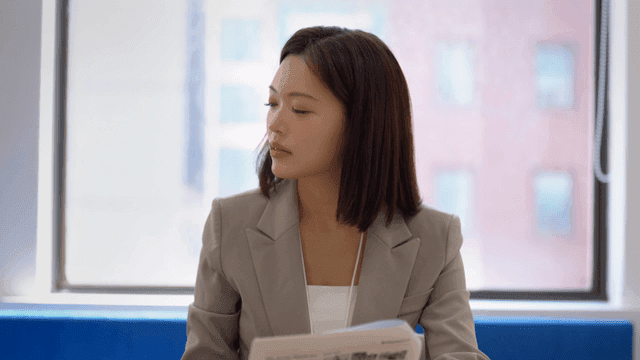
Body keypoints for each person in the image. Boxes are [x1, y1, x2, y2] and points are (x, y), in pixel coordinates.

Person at [181, 26, 490, 360]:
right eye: (272, 103)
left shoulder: (435, 238)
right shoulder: (230, 225)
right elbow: (204, 354)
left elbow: (458, 355)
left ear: (362, 123)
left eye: (299, 110)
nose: (274, 124)